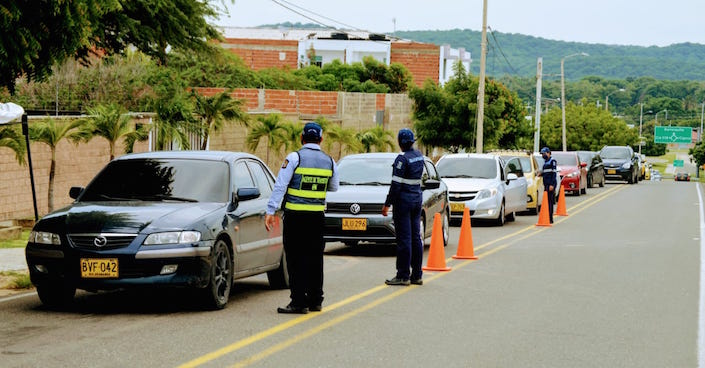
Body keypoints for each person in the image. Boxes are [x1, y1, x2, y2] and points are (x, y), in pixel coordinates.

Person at [265, 122, 339, 314]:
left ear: (302, 138)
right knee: (315, 258)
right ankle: (315, 300)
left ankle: (298, 302)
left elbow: (280, 185)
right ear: (321, 139)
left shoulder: (294, 158)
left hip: (295, 218)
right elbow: (334, 187)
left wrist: (271, 211)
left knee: (296, 259)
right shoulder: (330, 161)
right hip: (316, 218)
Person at [382, 128, 425, 286]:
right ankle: (417, 275)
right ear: (412, 142)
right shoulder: (419, 156)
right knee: (416, 238)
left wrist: (387, 204)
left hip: (403, 203)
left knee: (404, 239)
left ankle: (403, 275)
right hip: (416, 200)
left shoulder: (402, 159)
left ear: (400, 142)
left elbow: (395, 185)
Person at [539, 146, 558, 224]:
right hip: (546, 184)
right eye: (542, 154)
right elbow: (546, 173)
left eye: (544, 153)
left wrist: (552, 185)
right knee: (546, 202)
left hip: (550, 184)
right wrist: (541, 174)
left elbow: (553, 174)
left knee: (550, 202)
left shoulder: (552, 161)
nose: (543, 155)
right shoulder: (546, 162)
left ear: (549, 153)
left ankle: (550, 218)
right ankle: (547, 217)